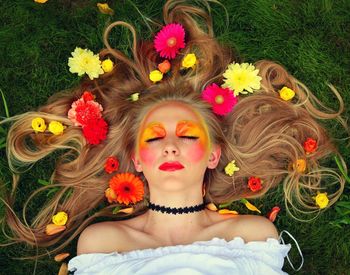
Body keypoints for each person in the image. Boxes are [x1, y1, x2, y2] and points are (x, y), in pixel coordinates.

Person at [0, 1, 348, 274]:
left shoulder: (253, 237)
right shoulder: (104, 243)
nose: (169, 145)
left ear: (214, 155)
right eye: (153, 139)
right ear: (136, 160)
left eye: (187, 136)